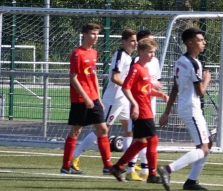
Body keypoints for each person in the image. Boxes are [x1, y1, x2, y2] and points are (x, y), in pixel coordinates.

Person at [71, 29, 138, 178]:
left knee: (129, 130)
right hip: (114, 98)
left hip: (123, 99)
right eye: (132, 40)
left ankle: (129, 163)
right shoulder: (120, 55)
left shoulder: (129, 57)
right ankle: (75, 157)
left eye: (136, 40)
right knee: (102, 130)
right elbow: (114, 77)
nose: (136, 43)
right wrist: (129, 87)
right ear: (124, 41)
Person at [156, 27, 212, 191]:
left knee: (207, 143)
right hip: (191, 108)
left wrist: (166, 112)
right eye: (200, 40)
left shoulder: (180, 61)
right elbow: (200, 92)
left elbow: (175, 87)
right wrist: (207, 79)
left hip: (185, 107)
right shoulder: (194, 63)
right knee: (203, 147)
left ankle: (191, 181)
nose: (204, 42)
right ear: (190, 43)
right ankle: (168, 169)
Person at [109, 38, 168, 182]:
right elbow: (126, 87)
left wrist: (159, 94)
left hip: (146, 109)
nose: (152, 55)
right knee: (153, 140)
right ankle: (152, 175)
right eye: (150, 52)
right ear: (141, 52)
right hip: (141, 111)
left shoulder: (145, 69)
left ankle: (118, 167)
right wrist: (134, 104)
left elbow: (145, 90)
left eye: (154, 52)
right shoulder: (135, 68)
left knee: (142, 142)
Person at [61, 23, 113, 175]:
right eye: (93, 34)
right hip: (80, 99)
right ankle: (66, 166)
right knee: (76, 131)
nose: (96, 37)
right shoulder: (77, 54)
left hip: (93, 97)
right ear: (84, 34)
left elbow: (93, 75)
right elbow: (73, 78)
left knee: (103, 129)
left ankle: (108, 166)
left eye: (97, 34)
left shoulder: (94, 52)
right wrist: (85, 97)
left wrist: (98, 97)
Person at [133, 29, 162, 177]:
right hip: (139, 105)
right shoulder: (136, 64)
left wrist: (159, 91)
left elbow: (154, 80)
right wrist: (135, 104)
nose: (153, 42)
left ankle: (142, 169)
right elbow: (129, 86)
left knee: (143, 140)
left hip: (150, 103)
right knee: (145, 138)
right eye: (149, 40)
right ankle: (143, 171)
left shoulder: (153, 61)